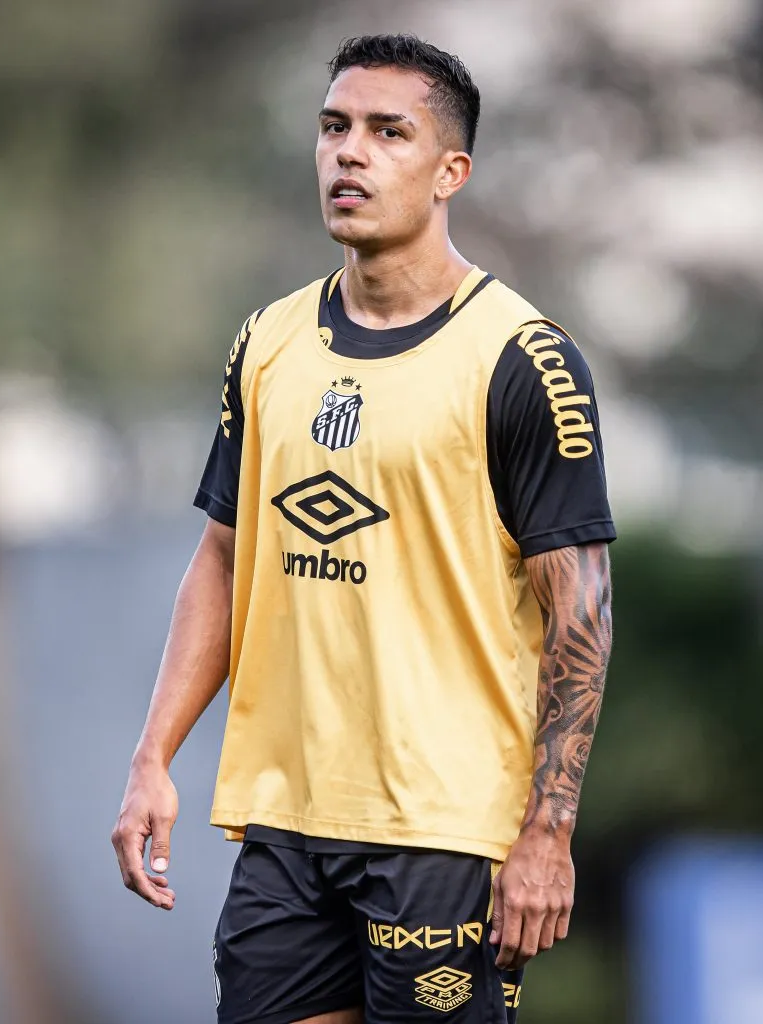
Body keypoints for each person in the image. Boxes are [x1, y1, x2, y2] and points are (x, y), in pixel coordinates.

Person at [112, 33, 615, 1024]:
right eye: (335, 128)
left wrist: (547, 834)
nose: (351, 153)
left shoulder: (524, 358)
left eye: (390, 133)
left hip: (444, 830)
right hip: (285, 823)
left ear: (449, 172)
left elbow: (582, 614)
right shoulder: (268, 343)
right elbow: (222, 558)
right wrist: (152, 758)